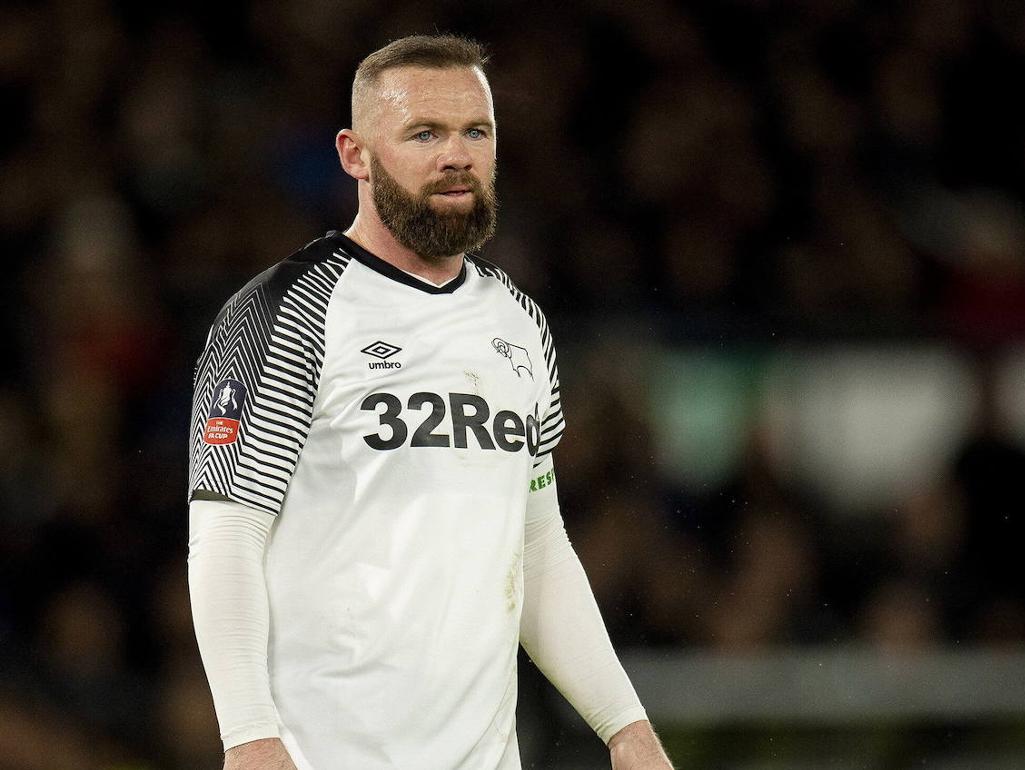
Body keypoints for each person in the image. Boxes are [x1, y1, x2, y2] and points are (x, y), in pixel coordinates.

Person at [186, 34, 673, 770]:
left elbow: (537, 545)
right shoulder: (287, 314)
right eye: (425, 133)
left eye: (476, 131)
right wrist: (249, 736)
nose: (458, 154)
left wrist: (625, 725)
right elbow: (226, 536)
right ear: (355, 154)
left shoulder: (519, 323)